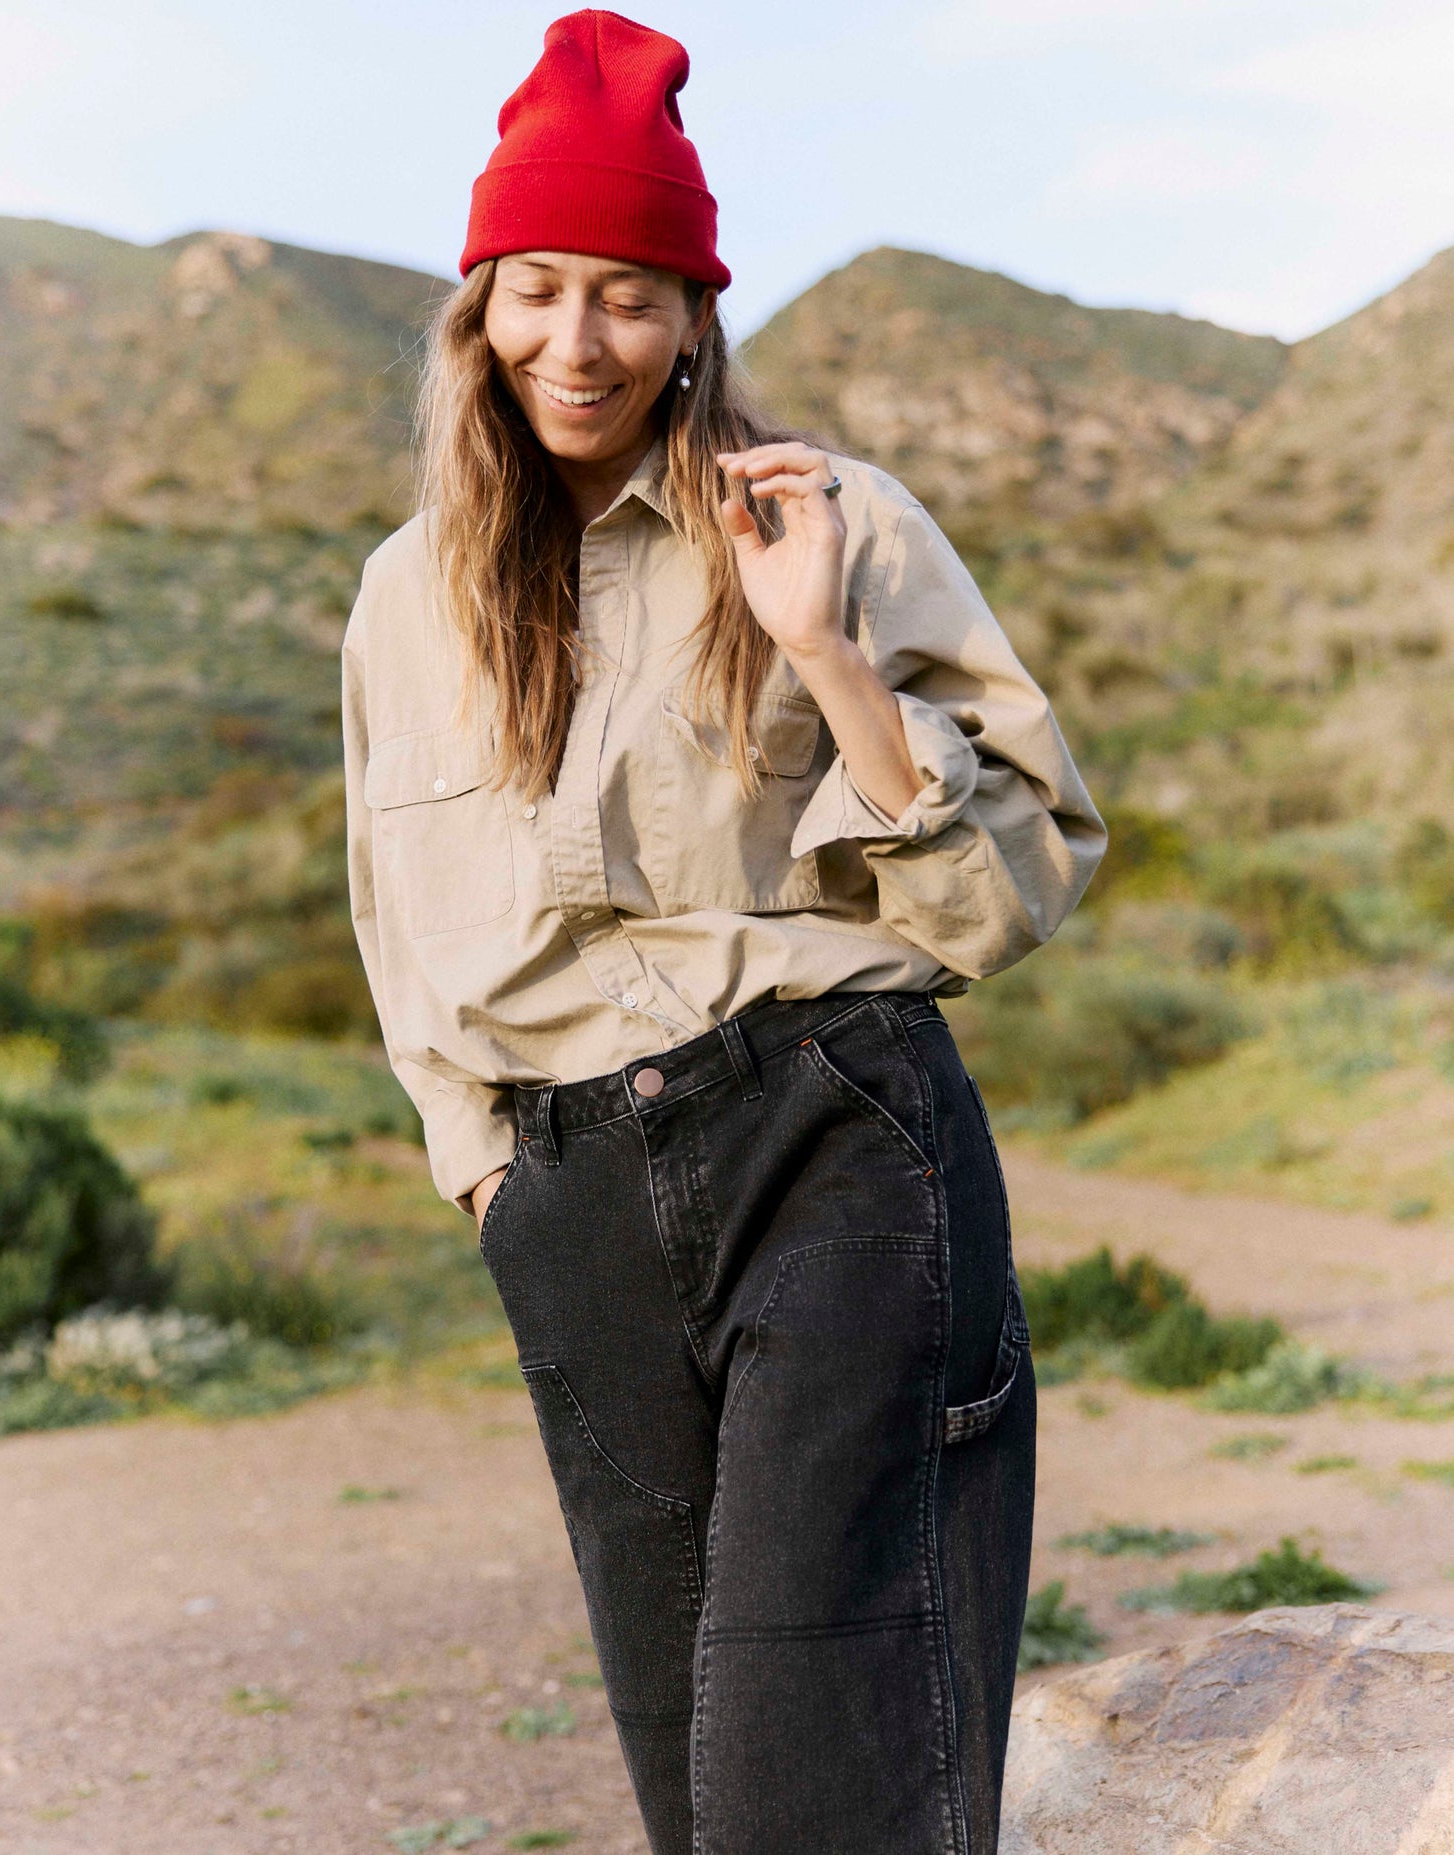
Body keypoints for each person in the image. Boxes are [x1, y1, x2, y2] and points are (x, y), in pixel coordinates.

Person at [342, 11, 1106, 1852]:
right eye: (537, 290)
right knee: (697, 1785)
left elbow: (1019, 876)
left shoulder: (827, 522)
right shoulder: (402, 597)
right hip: (571, 1203)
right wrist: (487, 1178)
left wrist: (825, 646)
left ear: (696, 315)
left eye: (631, 293)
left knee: (818, 1768)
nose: (578, 342)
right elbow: (393, 923)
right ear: (479, 310)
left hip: (826, 1145)